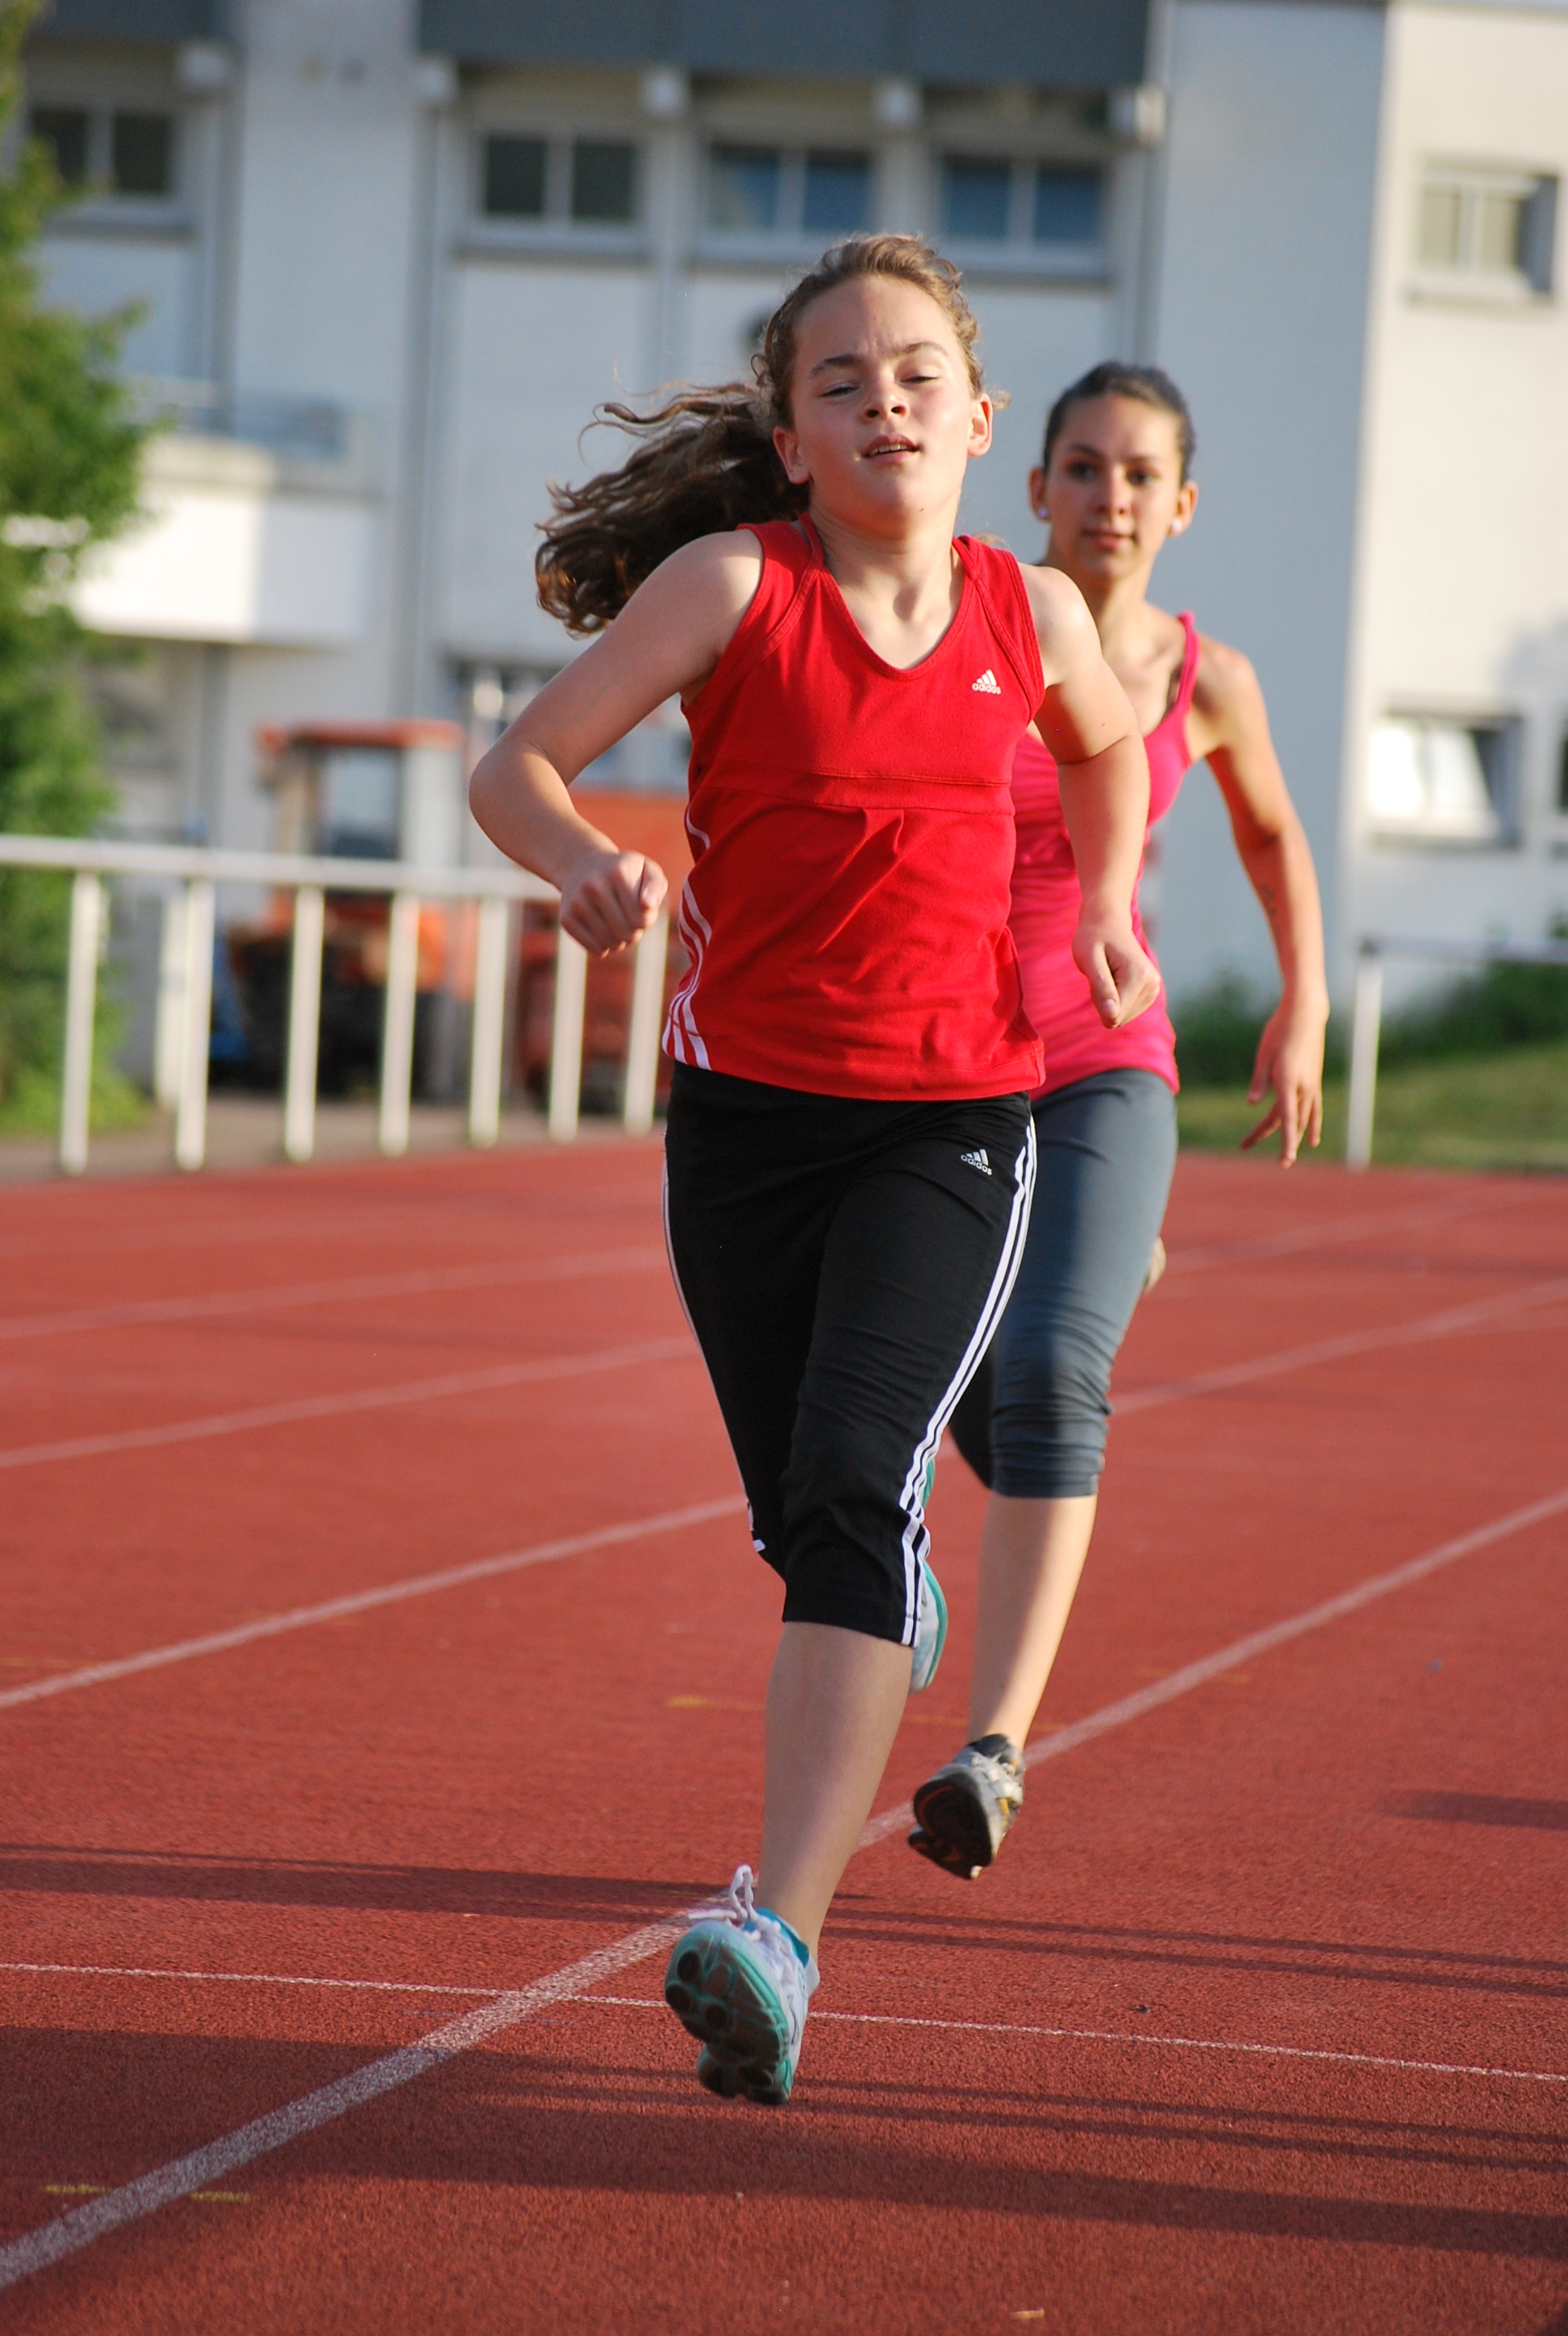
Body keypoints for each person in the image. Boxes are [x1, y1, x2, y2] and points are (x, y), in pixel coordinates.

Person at [469, 242, 1160, 2104]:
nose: (885, 402)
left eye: (918, 372)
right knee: (805, 1514)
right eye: (841, 381)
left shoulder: (1034, 613)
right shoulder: (733, 587)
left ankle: (776, 1932)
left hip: (955, 1121)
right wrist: (580, 863)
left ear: (979, 416)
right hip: (745, 1127)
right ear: (791, 436)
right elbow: (519, 763)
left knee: (855, 1490)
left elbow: (1107, 756)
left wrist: (1101, 906)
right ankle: (873, 1585)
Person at [908, 361, 1328, 1882]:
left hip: (1104, 1053)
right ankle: (907, 1522)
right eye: (1082, 467)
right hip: (946, 1060)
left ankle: (993, 1751)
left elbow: (1272, 834)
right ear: (1035, 486)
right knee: (932, 1382)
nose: (1110, 497)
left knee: (1051, 1372)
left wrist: (1304, 1003)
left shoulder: (1207, 679)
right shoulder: (970, 621)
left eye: (1140, 473)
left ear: (1182, 503)